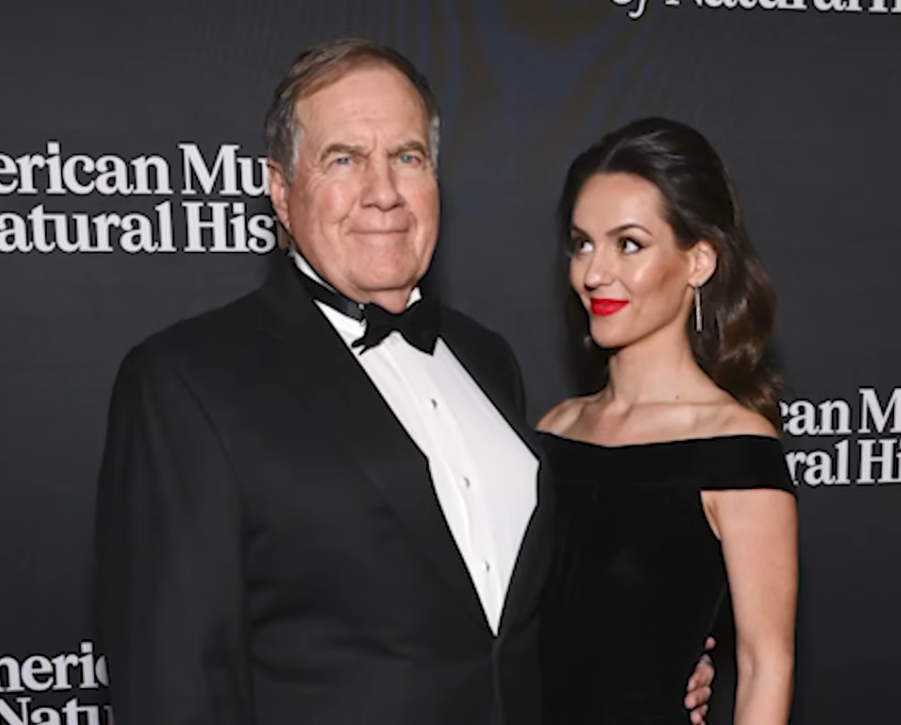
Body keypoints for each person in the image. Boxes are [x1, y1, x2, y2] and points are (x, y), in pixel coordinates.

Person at [95, 40, 715, 725]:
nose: (383, 191)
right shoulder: (187, 381)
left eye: (407, 157)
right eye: (344, 159)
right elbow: (175, 682)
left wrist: (643, 655)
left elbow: (510, 620)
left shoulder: (488, 360)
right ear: (280, 188)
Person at [537, 117, 799, 724]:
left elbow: (765, 668)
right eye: (581, 243)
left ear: (699, 261)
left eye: (628, 243)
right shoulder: (554, 433)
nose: (594, 272)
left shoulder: (737, 451)